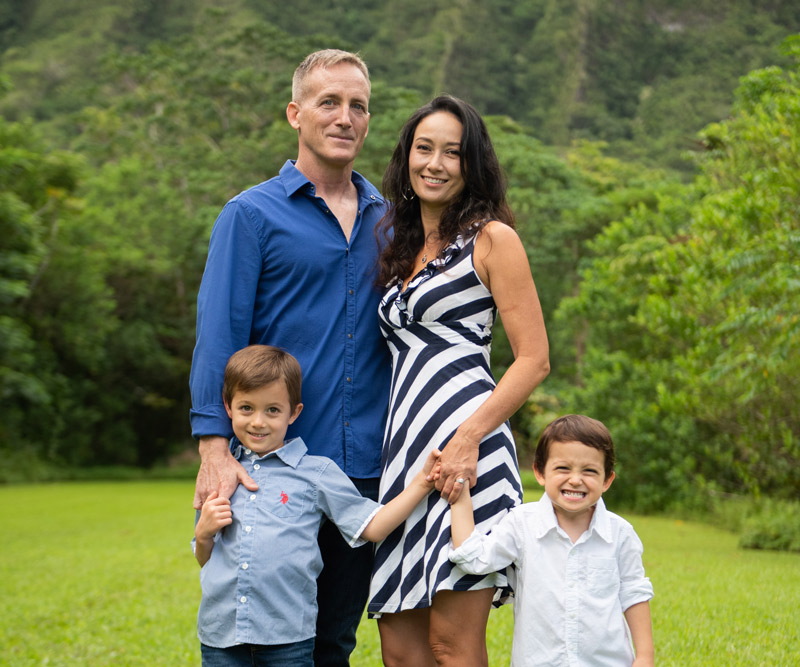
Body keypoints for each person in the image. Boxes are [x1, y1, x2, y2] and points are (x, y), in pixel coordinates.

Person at [188, 50, 390, 665]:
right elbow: (219, 335)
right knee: (261, 635)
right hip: (271, 470)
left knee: (333, 641)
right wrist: (214, 449)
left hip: (365, 466)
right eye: (329, 102)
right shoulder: (250, 215)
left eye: (358, 105)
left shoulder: (393, 221)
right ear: (295, 114)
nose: (345, 117)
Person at [367, 95, 550, 667]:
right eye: (425, 148)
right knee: (399, 650)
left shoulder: (493, 239)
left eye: (454, 152)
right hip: (405, 461)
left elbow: (534, 360)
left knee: (452, 645)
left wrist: (468, 438)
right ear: (407, 156)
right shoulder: (397, 245)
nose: (436, 163)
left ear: (472, 166)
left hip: (468, 455)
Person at [194, 345, 440, 667]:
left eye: (272, 410)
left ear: (293, 413)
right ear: (228, 407)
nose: (258, 422)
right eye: (246, 408)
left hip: (287, 638)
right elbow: (204, 558)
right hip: (221, 635)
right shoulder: (220, 475)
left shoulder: (316, 472)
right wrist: (203, 533)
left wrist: (422, 482)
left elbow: (373, 525)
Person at [449, 414, 655, 667]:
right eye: (563, 468)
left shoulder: (620, 533)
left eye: (590, 471)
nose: (576, 479)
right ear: (540, 472)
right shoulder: (522, 524)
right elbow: (475, 558)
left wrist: (644, 657)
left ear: (607, 480)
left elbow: (634, 592)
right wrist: (460, 496)